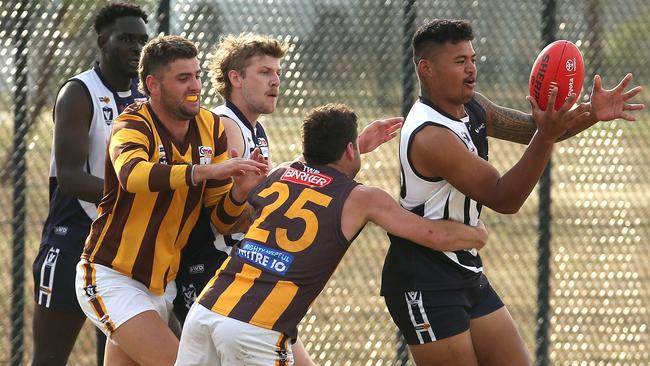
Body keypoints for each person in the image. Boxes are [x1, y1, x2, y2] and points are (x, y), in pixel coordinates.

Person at [380, 19, 645, 366]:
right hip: (424, 279)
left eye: (473, 58)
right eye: (460, 62)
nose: (472, 68)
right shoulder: (431, 136)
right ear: (426, 69)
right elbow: (505, 197)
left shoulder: (473, 106)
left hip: (463, 268)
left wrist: (591, 114)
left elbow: (536, 129)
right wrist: (547, 136)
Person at [174, 103, 489, 366]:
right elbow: (433, 235)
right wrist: (477, 235)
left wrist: (357, 146)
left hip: (206, 310)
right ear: (349, 149)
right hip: (257, 328)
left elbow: (317, 175)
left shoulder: (282, 172)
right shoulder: (363, 198)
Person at [174, 33, 402, 364]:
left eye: (278, 72)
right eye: (265, 72)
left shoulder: (255, 129)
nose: (276, 81)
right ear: (236, 78)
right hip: (216, 277)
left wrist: (353, 149)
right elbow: (222, 218)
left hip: (242, 281)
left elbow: (285, 191)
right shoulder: (227, 126)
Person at [74, 35, 269, 366]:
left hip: (162, 286)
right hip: (112, 276)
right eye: (183, 78)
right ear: (153, 84)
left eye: (197, 76)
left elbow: (221, 219)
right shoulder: (132, 122)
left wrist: (239, 192)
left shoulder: (209, 126)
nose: (195, 86)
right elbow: (132, 175)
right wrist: (201, 172)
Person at [31, 3, 149, 365]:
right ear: (102, 40)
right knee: (51, 357)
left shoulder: (147, 98)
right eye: (126, 39)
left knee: (117, 355)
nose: (136, 49)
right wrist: (134, 200)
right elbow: (69, 178)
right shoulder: (78, 92)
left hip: (123, 241)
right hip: (74, 237)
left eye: (142, 41)